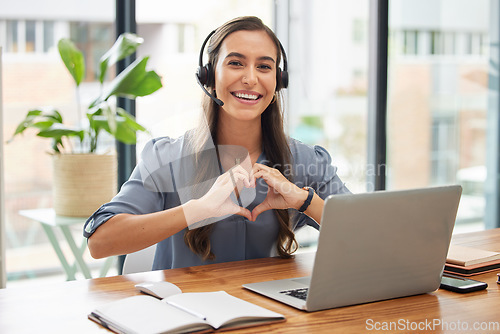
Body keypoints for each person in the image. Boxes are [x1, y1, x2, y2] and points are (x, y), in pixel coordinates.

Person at [84, 16, 350, 270]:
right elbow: (99, 242)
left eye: (264, 66)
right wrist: (197, 209)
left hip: (273, 311)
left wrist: (304, 201)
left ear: (278, 81)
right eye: (236, 63)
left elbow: (370, 235)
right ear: (208, 76)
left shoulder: (304, 160)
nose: (250, 78)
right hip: (183, 310)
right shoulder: (167, 158)